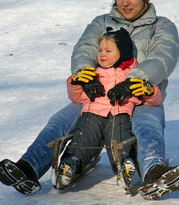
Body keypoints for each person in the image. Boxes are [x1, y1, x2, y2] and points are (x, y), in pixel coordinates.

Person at [0, 0, 179, 200]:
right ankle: (28, 169)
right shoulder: (101, 22)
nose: (125, 2)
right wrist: (84, 74)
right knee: (59, 121)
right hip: (97, 96)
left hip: (139, 98)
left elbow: (163, 57)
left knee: (147, 125)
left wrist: (134, 80)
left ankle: (154, 173)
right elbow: (85, 47)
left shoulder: (162, 26)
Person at [56, 27, 163, 190]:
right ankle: (70, 162)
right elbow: (77, 98)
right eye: (100, 50)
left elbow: (149, 101)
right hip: (92, 114)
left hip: (119, 114)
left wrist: (151, 91)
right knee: (83, 137)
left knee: (119, 139)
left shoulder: (133, 76)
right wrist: (75, 82)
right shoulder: (94, 74)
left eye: (108, 50)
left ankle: (124, 163)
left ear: (123, 52)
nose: (101, 54)